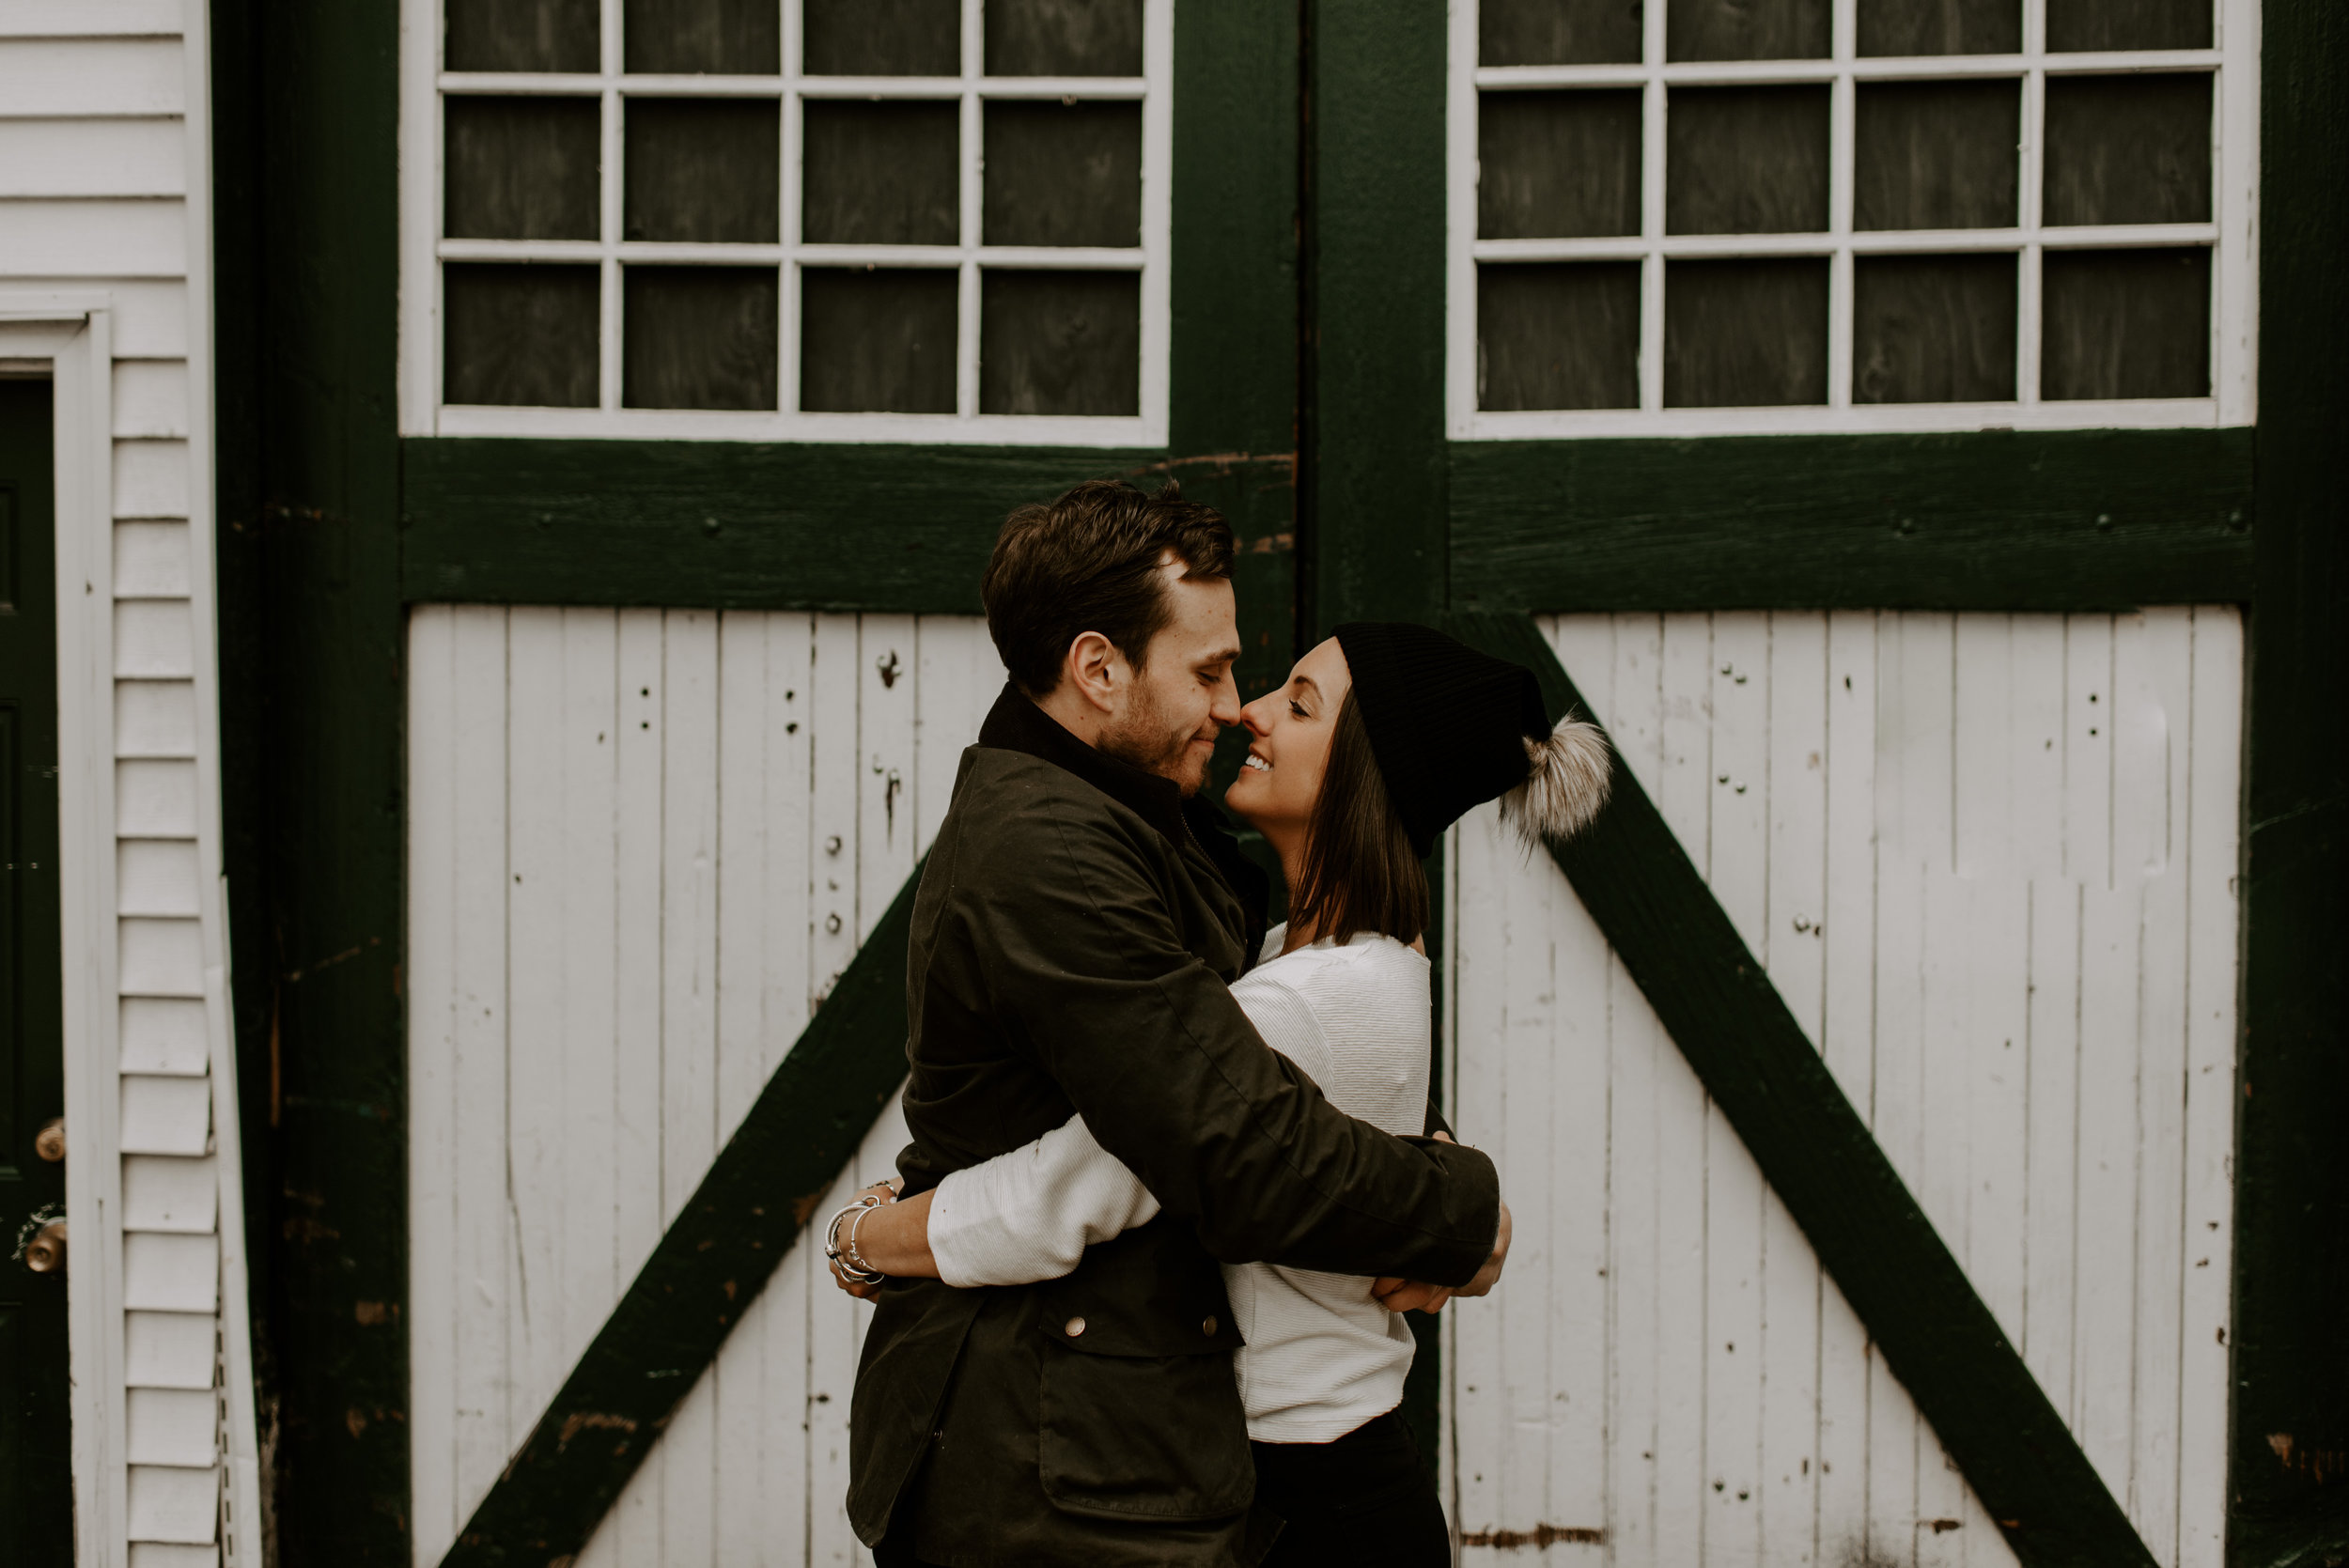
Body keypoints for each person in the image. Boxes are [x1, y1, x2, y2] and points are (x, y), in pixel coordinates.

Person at [835, 620, 1611, 1566]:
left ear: (1365, 770)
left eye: (1298, 701)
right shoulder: (1318, 959)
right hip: (1327, 1472)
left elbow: (1073, 1189)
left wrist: (868, 1239)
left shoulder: (1310, 991)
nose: (1249, 709)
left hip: (1318, 1494)